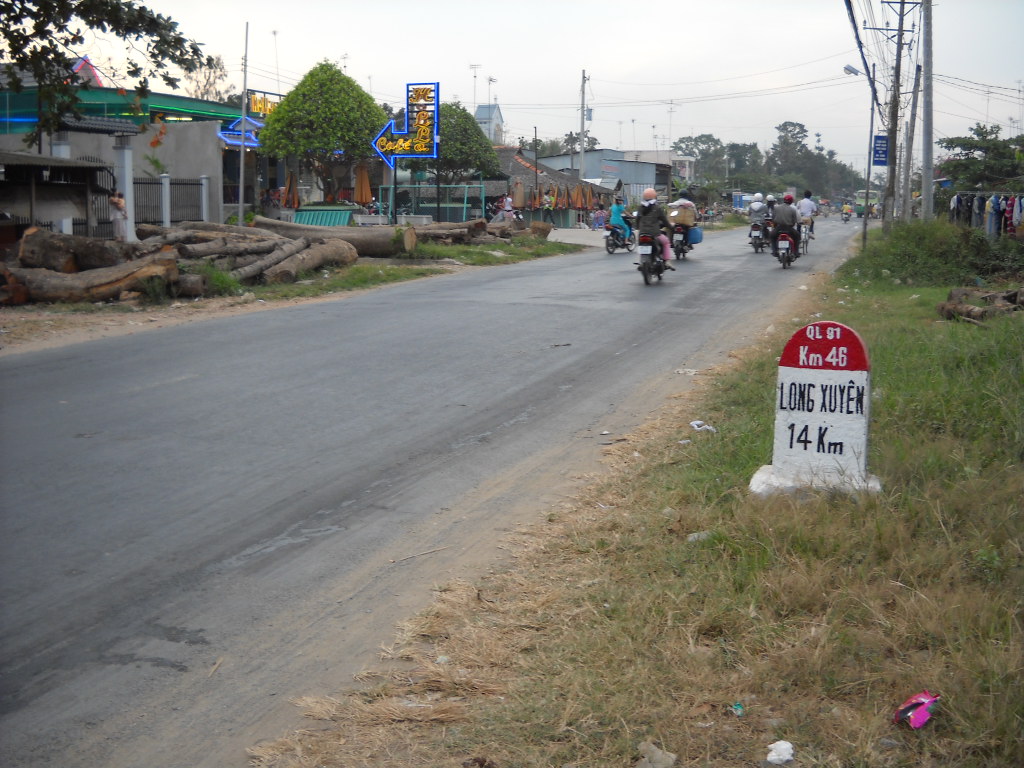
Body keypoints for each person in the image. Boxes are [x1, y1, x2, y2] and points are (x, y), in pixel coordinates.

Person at [636, 188, 674, 269]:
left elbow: (637, 220)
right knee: (666, 242)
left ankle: (641, 262)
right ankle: (667, 261)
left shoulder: (640, 207)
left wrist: (638, 228)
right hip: (655, 234)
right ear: (655, 197)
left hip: (642, 234)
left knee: (641, 245)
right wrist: (670, 227)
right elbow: (664, 221)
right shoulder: (657, 208)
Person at [771, 193, 801, 258]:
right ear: (791, 201)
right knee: (797, 236)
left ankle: (774, 250)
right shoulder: (792, 209)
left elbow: (773, 219)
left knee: (772, 236)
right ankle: (796, 252)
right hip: (789, 229)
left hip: (778, 228)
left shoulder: (776, 208)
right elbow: (794, 222)